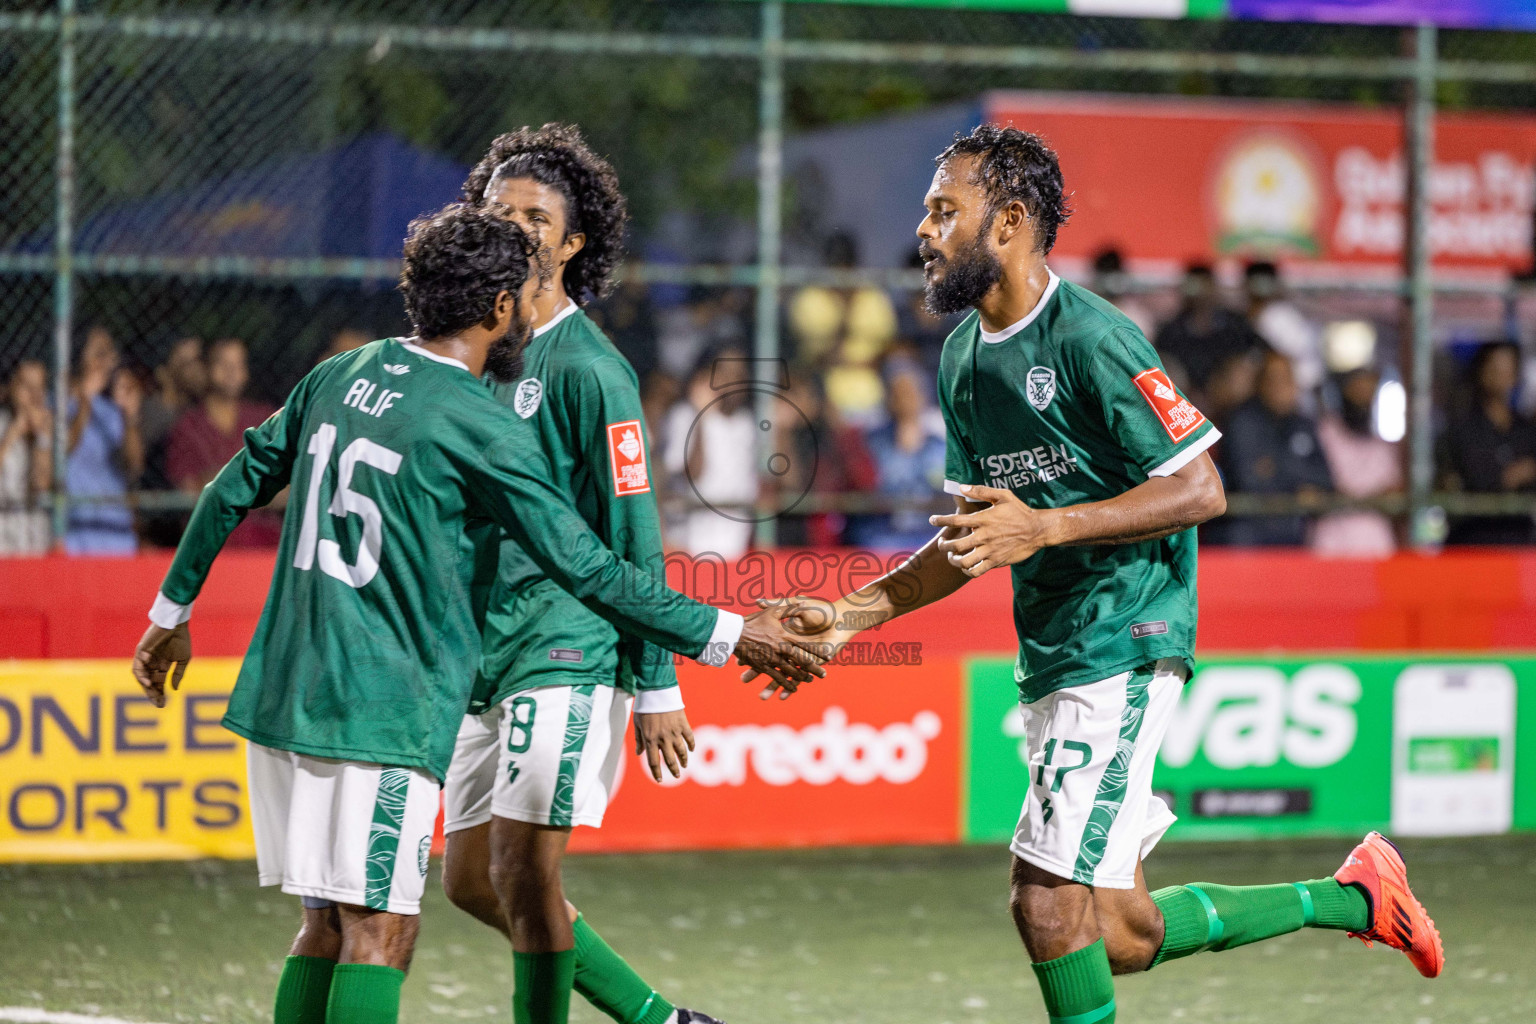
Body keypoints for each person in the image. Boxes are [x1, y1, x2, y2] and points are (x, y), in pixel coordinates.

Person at [757, 125, 1442, 1024]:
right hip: (1056, 651)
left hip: (1125, 635)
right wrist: (851, 616)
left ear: (1008, 222)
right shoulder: (962, 359)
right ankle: (1355, 897)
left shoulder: (1094, 337)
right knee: (1119, 932)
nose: (923, 231)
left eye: (943, 211)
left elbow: (1199, 487)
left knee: (1044, 903)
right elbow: (976, 537)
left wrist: (1047, 526)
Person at [130, 205, 824, 1024]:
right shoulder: (480, 424)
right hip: (380, 707)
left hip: (284, 688)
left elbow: (230, 487)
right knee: (379, 932)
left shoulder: (340, 374)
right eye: (523, 292)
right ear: (499, 307)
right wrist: (732, 632)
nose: (532, 305)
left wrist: (170, 613)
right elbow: (589, 563)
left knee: (324, 924)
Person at [451, 123, 725, 1024]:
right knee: (470, 881)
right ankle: (660, 1020)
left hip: (566, 645)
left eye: (537, 217)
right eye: (500, 210)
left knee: (525, 871)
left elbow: (633, 533)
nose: (515, 226)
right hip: (482, 650)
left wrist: (656, 684)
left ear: (572, 243)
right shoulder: (469, 350)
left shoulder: (591, 370)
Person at [165, 338, 281, 546]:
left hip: (264, 547)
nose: (231, 372)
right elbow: (189, 490)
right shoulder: (188, 426)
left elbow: (286, 487)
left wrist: (221, 482)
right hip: (211, 546)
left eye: (238, 364)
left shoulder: (264, 418)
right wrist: (256, 485)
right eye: (223, 364)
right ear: (206, 369)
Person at [1217, 350, 1334, 547]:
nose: (1281, 387)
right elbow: (1248, 480)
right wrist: (1299, 484)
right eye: (1274, 379)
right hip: (1247, 537)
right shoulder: (1242, 422)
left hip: (1293, 535)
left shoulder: (1303, 424)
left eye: (1287, 378)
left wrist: (1276, 468)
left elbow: (1326, 480)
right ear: (1261, 383)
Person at [788, 231, 898, 425]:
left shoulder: (873, 296)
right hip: (824, 398)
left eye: (846, 267)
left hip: (870, 396)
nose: (841, 275)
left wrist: (863, 363)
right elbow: (818, 359)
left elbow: (888, 348)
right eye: (835, 267)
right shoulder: (810, 299)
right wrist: (846, 310)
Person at [662, 347, 758, 558]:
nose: (733, 381)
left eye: (739, 373)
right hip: (691, 536)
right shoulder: (684, 415)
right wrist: (702, 415)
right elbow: (693, 474)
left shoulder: (746, 422)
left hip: (735, 534)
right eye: (726, 372)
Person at [847, 359, 946, 551]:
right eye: (898, 393)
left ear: (923, 395)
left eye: (910, 392)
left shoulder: (939, 446)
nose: (904, 399)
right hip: (882, 535)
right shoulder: (872, 443)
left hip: (928, 533)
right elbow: (866, 489)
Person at [1443, 340, 1536, 544]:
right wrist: (1517, 474)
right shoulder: (1463, 428)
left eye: (1506, 368)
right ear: (1481, 370)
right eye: (1493, 367)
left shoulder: (1526, 430)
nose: (1499, 375)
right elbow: (1477, 480)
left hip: (1519, 539)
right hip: (1475, 539)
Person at [64, 326, 143, 554]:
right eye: (100, 354)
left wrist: (130, 418)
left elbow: (134, 466)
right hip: (75, 532)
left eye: (111, 354)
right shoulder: (55, 404)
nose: (109, 361)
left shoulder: (111, 411)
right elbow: (61, 453)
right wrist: (85, 398)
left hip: (116, 532)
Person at [1314, 366, 1400, 556]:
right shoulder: (1326, 432)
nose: (1364, 397)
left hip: (1375, 541)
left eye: (1369, 390)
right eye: (1358, 389)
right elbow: (1321, 486)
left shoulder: (1382, 444)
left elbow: (1393, 490)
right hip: (1332, 540)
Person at [1153, 264, 1265, 404]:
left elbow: (1259, 352)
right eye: (1194, 286)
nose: (1200, 293)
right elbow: (1159, 363)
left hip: (1229, 395)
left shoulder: (1236, 325)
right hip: (1184, 397)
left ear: (1213, 287)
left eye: (1204, 285)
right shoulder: (1171, 330)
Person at [1244, 261, 1323, 409]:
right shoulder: (1245, 316)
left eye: (1265, 283)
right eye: (1256, 283)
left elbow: (1310, 369)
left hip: (1295, 398)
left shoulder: (1282, 315)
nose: (1261, 289)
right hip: (1261, 397)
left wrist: (1287, 387)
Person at [0, 359, 53, 554]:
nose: (35, 396)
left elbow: (41, 485)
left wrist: (42, 439)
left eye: (40, 387)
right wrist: (13, 433)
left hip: (35, 541)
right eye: (27, 386)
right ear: (10, 387)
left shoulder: (50, 429)